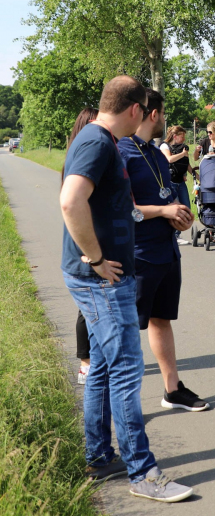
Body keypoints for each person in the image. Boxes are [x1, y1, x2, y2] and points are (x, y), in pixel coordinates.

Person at [60, 75, 192, 502]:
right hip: (102, 279)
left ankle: (100, 457)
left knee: (102, 365)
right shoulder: (99, 143)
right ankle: (143, 472)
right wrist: (96, 258)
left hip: (105, 276)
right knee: (126, 370)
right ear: (135, 109)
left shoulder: (101, 141)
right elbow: (70, 201)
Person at [119, 88, 209, 413]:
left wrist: (179, 216)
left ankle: (173, 390)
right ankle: (123, 408)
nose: (166, 121)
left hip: (167, 252)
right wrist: (163, 211)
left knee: (161, 320)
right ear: (153, 114)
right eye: (164, 114)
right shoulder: (121, 153)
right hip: (139, 255)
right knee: (127, 331)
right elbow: (123, 211)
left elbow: (168, 196)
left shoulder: (157, 154)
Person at [61, 107, 99, 384]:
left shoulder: (78, 153)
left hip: (90, 240)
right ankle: (86, 363)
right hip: (85, 243)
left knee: (91, 308)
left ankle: (93, 360)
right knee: (87, 309)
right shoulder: (85, 155)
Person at [160, 125, 193, 245]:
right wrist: (183, 154)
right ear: (175, 136)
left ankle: (174, 235)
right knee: (177, 209)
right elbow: (169, 159)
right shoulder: (164, 146)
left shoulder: (182, 148)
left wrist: (195, 175)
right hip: (170, 182)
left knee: (186, 207)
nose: (184, 139)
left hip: (181, 182)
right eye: (182, 136)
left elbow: (186, 164)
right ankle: (175, 236)